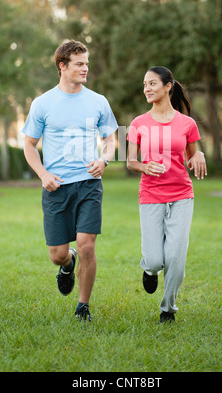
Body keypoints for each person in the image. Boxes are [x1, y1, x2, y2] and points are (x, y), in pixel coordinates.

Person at [22, 39, 118, 322]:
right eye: (79, 64)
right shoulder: (43, 103)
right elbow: (29, 145)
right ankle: (67, 263)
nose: (85, 68)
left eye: (86, 63)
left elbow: (111, 138)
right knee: (57, 253)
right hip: (56, 187)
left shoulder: (98, 101)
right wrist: (43, 174)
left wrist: (104, 160)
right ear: (62, 66)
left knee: (88, 243)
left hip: (88, 184)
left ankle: (82, 307)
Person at [127, 66, 207, 323]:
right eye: (144, 84)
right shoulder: (139, 123)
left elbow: (193, 154)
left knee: (175, 258)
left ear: (168, 86)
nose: (146, 89)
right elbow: (130, 161)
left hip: (182, 194)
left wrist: (199, 155)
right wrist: (143, 166)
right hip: (150, 194)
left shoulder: (187, 123)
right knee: (154, 260)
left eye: (152, 83)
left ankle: (167, 309)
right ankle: (148, 270)